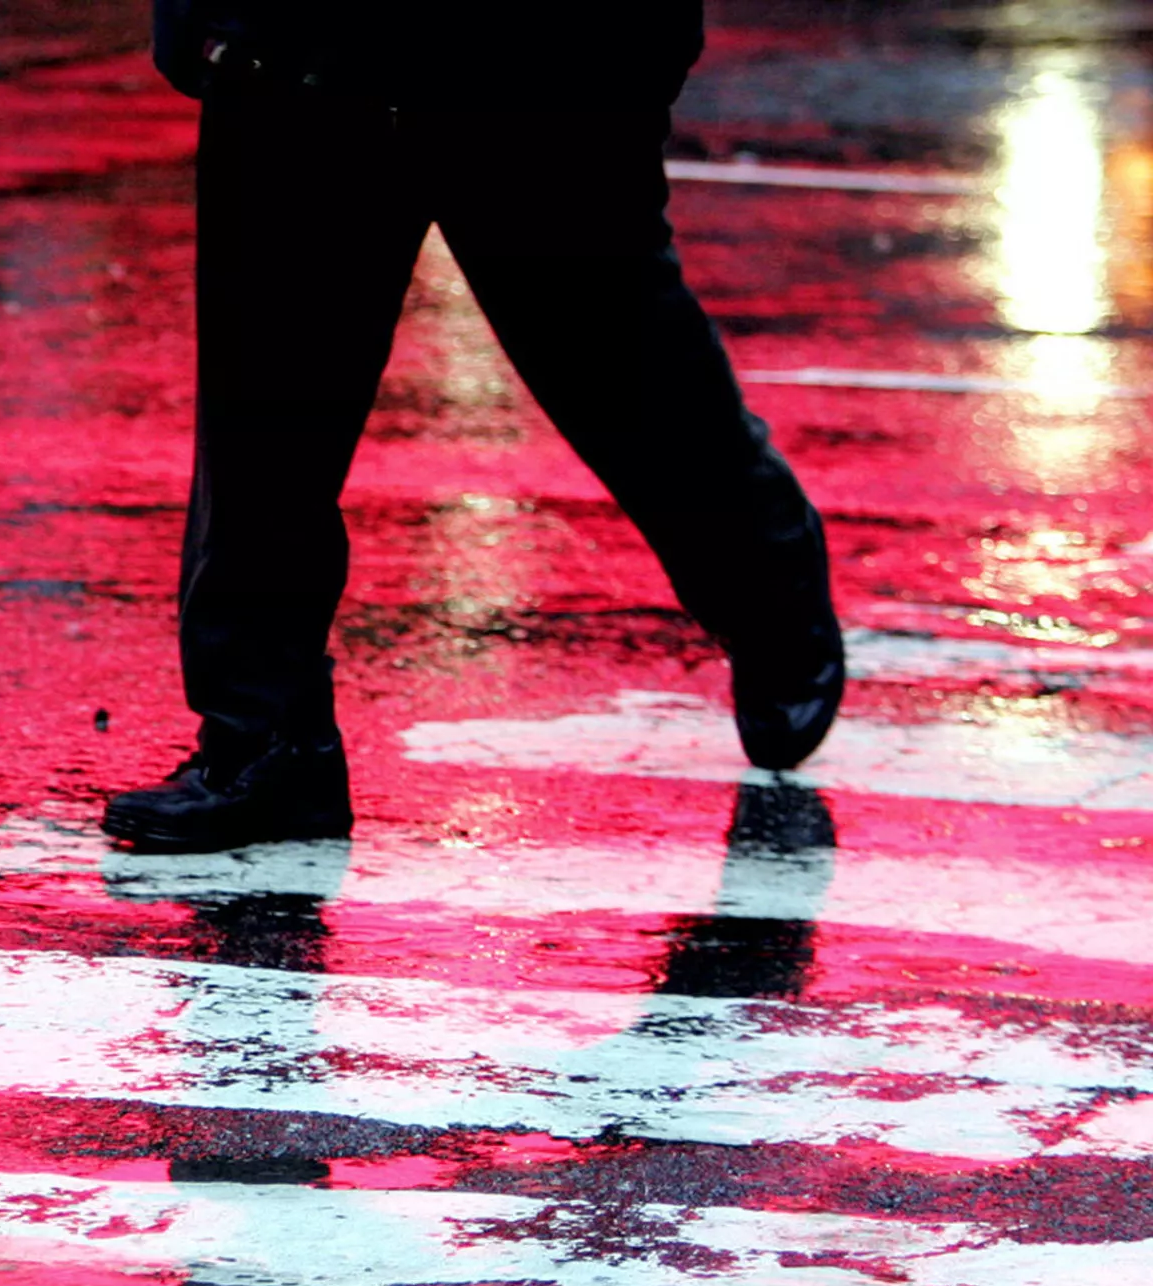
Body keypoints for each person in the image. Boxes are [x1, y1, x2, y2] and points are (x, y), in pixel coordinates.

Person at [103, 0, 845, 854]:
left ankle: (763, 579)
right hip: (296, 49)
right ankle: (263, 742)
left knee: (613, 365)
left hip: (536, 57)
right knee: (267, 408)